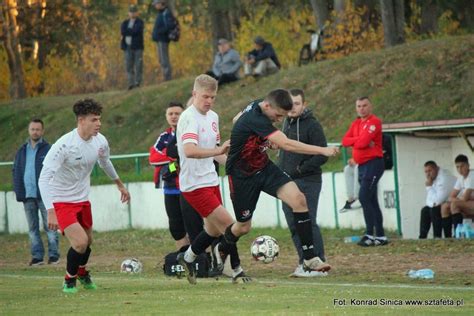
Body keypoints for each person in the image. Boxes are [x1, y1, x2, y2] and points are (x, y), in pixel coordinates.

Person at [224, 89, 338, 276]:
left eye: (282, 116)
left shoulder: (259, 103)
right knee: (243, 227)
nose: (278, 120)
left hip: (264, 167)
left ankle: (309, 258)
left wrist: (264, 142)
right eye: (277, 115)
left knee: (298, 199)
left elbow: (236, 119)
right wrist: (322, 150)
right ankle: (223, 246)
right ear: (268, 106)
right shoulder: (256, 117)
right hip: (242, 175)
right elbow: (287, 144)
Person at [38, 99, 130, 293]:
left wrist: (120, 185)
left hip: (82, 200)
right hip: (61, 201)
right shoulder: (64, 145)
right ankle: (69, 280)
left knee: (88, 242)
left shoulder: (100, 141)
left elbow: (105, 163)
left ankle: (81, 272)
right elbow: (43, 178)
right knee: (80, 242)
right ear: (81, 120)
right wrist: (50, 211)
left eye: (99, 119)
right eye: (94, 119)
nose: (99, 124)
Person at [175, 74, 246, 284]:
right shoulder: (188, 118)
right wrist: (217, 149)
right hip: (194, 185)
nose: (209, 101)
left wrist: (234, 168)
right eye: (205, 96)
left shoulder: (213, 117)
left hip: (211, 180)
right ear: (194, 94)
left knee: (213, 230)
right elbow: (189, 150)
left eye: (213, 97)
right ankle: (236, 270)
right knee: (230, 225)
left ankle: (187, 257)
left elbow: (216, 153)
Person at [278, 89, 329, 277]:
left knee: (308, 222)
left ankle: (319, 263)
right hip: (286, 182)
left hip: (308, 180)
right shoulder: (285, 123)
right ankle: (304, 262)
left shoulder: (312, 125)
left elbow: (322, 153)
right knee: (293, 223)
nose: (293, 107)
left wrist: (301, 169)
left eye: (297, 103)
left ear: (304, 105)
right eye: (290, 104)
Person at [149, 102, 204, 249]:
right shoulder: (164, 137)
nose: (174, 117)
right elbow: (153, 158)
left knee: (195, 225)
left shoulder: (191, 134)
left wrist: (177, 157)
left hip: (191, 187)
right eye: (170, 114)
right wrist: (174, 158)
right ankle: (184, 257)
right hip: (170, 188)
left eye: (177, 114)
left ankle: (203, 258)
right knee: (176, 227)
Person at [342, 96, 388, 247]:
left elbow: (362, 143)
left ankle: (369, 234)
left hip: (374, 164)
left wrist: (359, 141)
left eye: (364, 105)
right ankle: (380, 236)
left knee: (363, 196)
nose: (361, 108)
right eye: (359, 106)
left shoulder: (374, 122)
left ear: (370, 106)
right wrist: (360, 139)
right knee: (372, 200)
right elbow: (345, 141)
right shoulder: (356, 123)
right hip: (361, 166)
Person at [12, 118, 59, 266]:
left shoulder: (49, 149)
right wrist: (18, 190)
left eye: (38, 129)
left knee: (50, 226)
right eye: (32, 129)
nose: (35, 132)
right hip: (27, 196)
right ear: (29, 130)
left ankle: (54, 256)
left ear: (42, 131)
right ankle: (37, 257)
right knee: (32, 229)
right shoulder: (21, 150)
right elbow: (16, 171)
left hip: (45, 196)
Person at [419, 161, 455, 239]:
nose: (428, 174)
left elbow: (437, 201)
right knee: (425, 210)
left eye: (430, 171)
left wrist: (429, 187)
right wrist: (430, 187)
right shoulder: (432, 179)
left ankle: (437, 237)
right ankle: (422, 238)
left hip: (453, 205)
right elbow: (429, 202)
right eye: (426, 172)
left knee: (434, 209)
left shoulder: (443, 178)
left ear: (437, 168)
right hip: (443, 204)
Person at [441, 154, 474, 237]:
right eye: (457, 167)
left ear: (468, 165)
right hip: (468, 203)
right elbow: (451, 196)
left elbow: (465, 197)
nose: (460, 169)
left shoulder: (472, 176)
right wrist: (460, 199)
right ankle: (448, 236)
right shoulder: (460, 178)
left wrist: (459, 199)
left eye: (462, 166)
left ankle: (457, 235)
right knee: (444, 206)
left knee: (454, 204)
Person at [120, 4, 144, 90]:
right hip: (127, 47)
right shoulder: (125, 23)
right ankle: (131, 83)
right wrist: (130, 31)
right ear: (128, 13)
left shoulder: (140, 22)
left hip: (137, 47)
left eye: (134, 12)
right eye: (131, 12)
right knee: (128, 66)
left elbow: (136, 31)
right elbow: (123, 31)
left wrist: (128, 31)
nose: (132, 14)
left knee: (138, 65)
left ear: (137, 13)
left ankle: (138, 82)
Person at [152, 0, 175, 81]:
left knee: (164, 59)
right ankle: (165, 76)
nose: (155, 6)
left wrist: (160, 32)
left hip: (163, 39)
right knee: (161, 59)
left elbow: (170, 26)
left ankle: (167, 78)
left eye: (156, 4)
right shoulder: (160, 13)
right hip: (159, 40)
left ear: (161, 4)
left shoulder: (166, 13)